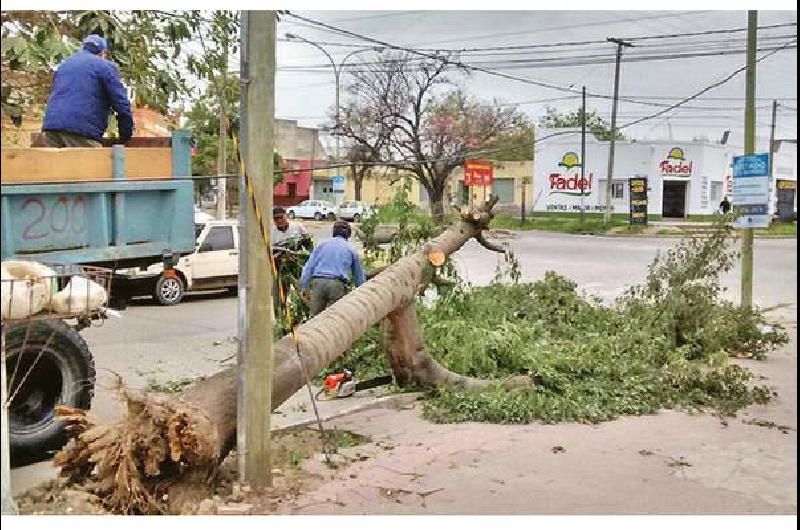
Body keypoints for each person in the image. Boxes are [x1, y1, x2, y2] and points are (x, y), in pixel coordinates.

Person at [34, 34, 133, 148]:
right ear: (103, 53)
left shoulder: (65, 64)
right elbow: (121, 104)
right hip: (81, 132)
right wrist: (125, 137)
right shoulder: (104, 66)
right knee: (96, 165)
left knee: (54, 165)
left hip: (51, 130)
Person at [300, 220, 365, 317]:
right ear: (348, 234)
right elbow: (359, 277)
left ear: (334, 232)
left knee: (314, 319)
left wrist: (304, 287)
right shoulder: (351, 249)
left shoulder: (322, 245)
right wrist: (362, 294)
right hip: (337, 285)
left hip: (319, 283)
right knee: (333, 319)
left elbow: (309, 267)